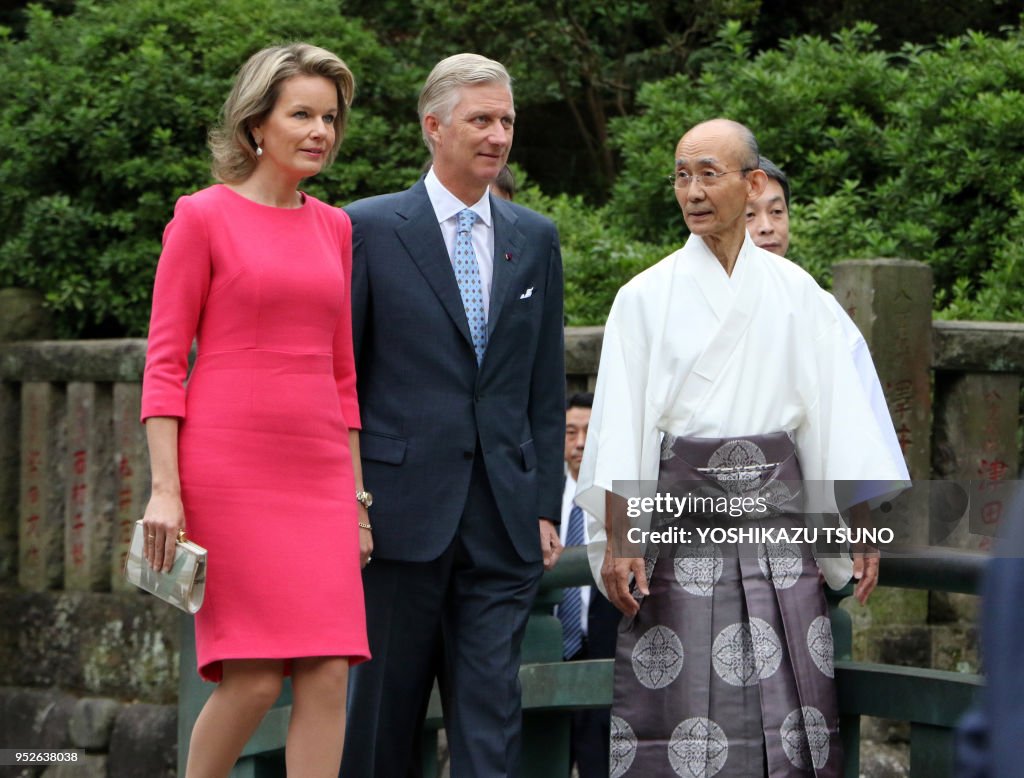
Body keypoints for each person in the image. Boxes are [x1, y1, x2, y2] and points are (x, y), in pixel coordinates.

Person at [576, 119, 907, 776]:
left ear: (751, 182)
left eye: (708, 173)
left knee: (790, 714)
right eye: (681, 175)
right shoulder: (643, 298)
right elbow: (621, 426)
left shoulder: (796, 296)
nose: (692, 191)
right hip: (679, 532)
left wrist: (860, 518)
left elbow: (833, 419)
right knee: (679, 709)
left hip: (782, 532)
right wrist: (618, 538)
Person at [139, 43, 370, 777]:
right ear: (255, 127)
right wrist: (166, 489)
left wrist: (358, 502)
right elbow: (166, 364)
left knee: (330, 670)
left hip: (321, 475)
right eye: (301, 114)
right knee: (255, 676)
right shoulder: (200, 217)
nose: (320, 132)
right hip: (229, 473)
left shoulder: (335, 227)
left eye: (329, 118)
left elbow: (343, 376)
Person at [341, 53, 566, 778]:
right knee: (382, 720)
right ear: (434, 126)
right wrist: (350, 502)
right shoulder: (366, 228)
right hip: (396, 517)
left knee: (491, 720)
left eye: (506, 120)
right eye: (481, 119)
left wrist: (543, 503)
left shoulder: (535, 237)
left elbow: (542, 384)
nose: (498, 134)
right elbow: (341, 376)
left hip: (502, 523)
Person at [747, 156, 908, 479]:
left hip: (802, 488)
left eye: (777, 212)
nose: (767, 226)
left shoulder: (818, 305)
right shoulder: (676, 304)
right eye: (750, 215)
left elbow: (858, 413)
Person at [557, 391, 620, 778]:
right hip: (550, 654)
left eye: (587, 431)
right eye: (569, 432)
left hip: (605, 658)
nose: (580, 442)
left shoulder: (620, 499)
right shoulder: (539, 499)